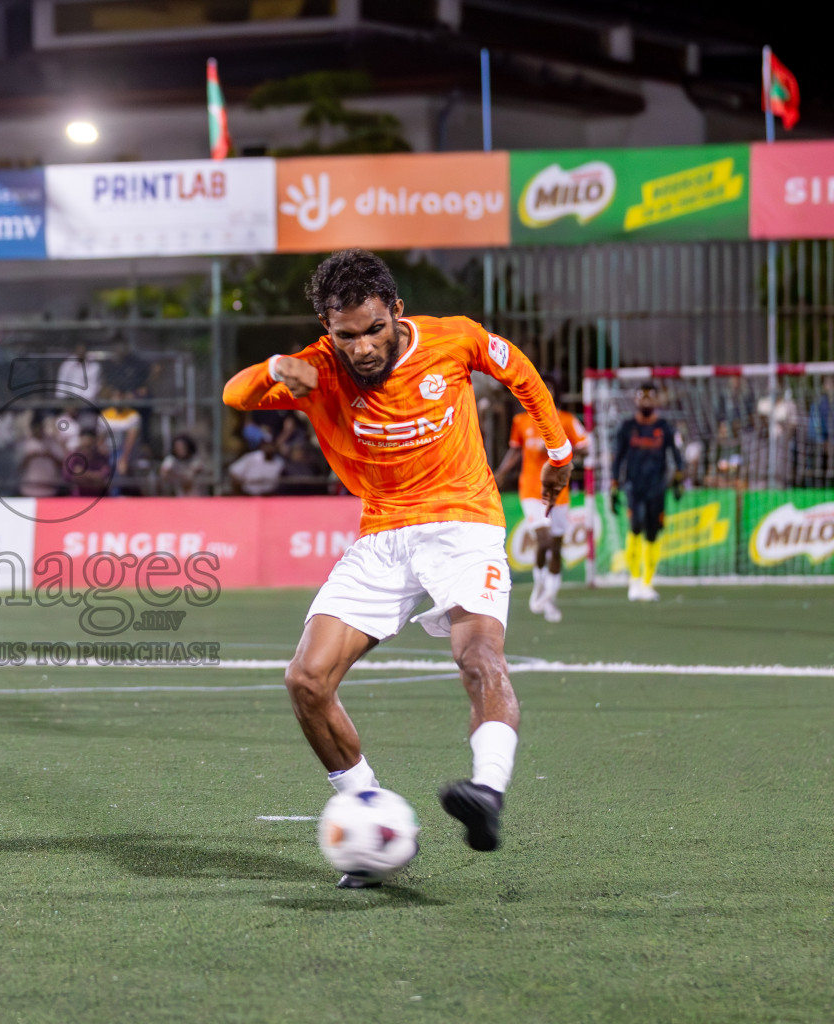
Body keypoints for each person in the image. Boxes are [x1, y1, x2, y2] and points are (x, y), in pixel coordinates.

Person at [222, 249, 572, 887]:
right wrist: (278, 366)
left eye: (373, 329)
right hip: (383, 535)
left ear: (397, 313)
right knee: (306, 680)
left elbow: (517, 370)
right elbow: (235, 393)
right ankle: (368, 811)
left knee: (479, 657)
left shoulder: (453, 339)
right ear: (329, 328)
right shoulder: (319, 368)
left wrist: (559, 446)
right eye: (345, 334)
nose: (360, 347)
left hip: (464, 524)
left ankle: (487, 793)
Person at [495, 388, 588, 623]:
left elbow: (585, 445)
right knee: (543, 539)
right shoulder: (521, 420)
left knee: (556, 546)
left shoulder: (566, 420)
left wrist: (564, 450)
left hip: (558, 492)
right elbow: (515, 450)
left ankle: (550, 597)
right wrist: (501, 473)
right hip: (531, 491)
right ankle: (539, 584)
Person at [609, 384, 682, 602]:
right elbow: (618, 457)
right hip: (634, 486)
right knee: (636, 525)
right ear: (636, 400)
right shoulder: (627, 427)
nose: (647, 401)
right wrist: (614, 485)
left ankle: (648, 582)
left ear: (657, 401)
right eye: (643, 397)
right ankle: (634, 579)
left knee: (652, 532)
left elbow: (676, 455)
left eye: (651, 397)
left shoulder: (665, 428)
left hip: (657, 487)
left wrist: (679, 479)